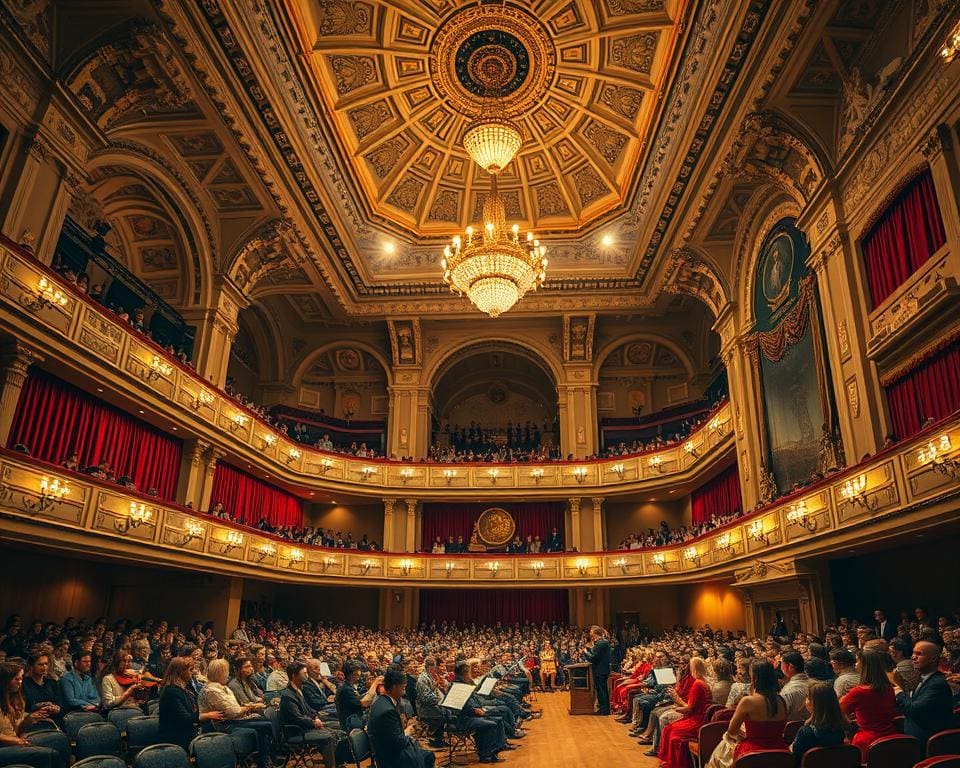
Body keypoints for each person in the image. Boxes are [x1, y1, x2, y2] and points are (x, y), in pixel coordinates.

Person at [199, 659, 271, 768]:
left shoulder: (223, 687)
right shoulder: (212, 690)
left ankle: (264, 760)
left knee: (265, 721)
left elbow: (236, 708)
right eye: (226, 671)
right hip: (226, 724)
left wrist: (246, 708)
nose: (228, 674)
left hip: (236, 719)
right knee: (266, 725)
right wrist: (250, 707)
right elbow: (232, 712)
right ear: (219, 673)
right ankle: (267, 758)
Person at [367, 667, 434, 768]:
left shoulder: (380, 701)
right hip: (390, 758)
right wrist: (408, 731)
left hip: (384, 751)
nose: (404, 692)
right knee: (428, 756)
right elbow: (398, 743)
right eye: (402, 688)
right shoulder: (388, 711)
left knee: (421, 750)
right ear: (394, 687)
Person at [0, 662, 62, 768]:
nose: (20, 682)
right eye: (16, 679)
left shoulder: (16, 699)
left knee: (59, 740)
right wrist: (17, 741)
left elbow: (18, 730)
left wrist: (30, 719)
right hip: (4, 747)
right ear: (5, 681)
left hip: (16, 742)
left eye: (21, 678)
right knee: (48, 754)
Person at [278, 662, 339, 768]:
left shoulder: (298, 689)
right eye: (304, 673)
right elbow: (296, 718)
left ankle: (338, 761)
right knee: (329, 737)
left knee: (338, 727)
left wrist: (315, 716)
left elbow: (308, 709)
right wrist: (313, 722)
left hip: (306, 726)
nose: (307, 675)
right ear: (294, 675)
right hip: (297, 732)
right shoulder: (288, 695)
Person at [724, 660, 788, 762]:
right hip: (780, 753)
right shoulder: (782, 701)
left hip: (752, 753)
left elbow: (731, 731)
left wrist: (744, 736)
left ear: (755, 679)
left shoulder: (748, 701)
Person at [894, 640, 954, 746]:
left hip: (927, 743)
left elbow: (915, 710)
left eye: (919, 654)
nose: (913, 657)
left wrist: (899, 693)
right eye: (913, 653)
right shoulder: (923, 677)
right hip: (915, 739)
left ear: (933, 659)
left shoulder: (937, 684)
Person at [840, 649, 896, 760]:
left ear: (864, 665)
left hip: (867, 741)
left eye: (857, 661)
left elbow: (838, 711)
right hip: (891, 736)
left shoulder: (858, 691)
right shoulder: (889, 688)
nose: (855, 664)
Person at [158, 656, 223, 751]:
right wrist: (208, 715)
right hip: (178, 737)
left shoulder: (186, 687)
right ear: (180, 672)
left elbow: (196, 708)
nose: (193, 672)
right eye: (190, 669)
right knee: (217, 741)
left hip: (190, 730)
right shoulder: (171, 692)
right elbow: (185, 719)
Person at [658, 657, 711, 768]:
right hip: (698, 717)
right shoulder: (703, 682)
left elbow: (689, 708)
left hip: (695, 719)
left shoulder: (698, 684)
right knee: (669, 729)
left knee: (671, 731)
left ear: (693, 668)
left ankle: (674, 763)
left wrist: (676, 704)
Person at [790, 682, 846, 768]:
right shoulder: (843, 729)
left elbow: (795, 760)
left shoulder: (805, 732)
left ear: (813, 703)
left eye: (807, 697)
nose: (805, 700)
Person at [335, 661, 380, 731]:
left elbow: (360, 698)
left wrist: (370, 688)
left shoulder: (348, 686)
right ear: (352, 674)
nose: (359, 675)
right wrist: (375, 683)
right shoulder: (345, 689)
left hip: (355, 718)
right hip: (350, 724)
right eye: (357, 673)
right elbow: (365, 702)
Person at [584, 625, 610, 715]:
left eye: (591, 632)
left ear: (595, 633)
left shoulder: (601, 643)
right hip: (602, 669)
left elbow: (593, 657)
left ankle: (604, 710)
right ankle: (604, 709)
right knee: (602, 690)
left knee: (601, 690)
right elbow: (595, 653)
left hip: (600, 670)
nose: (590, 634)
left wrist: (585, 652)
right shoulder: (601, 642)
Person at [779, 652, 811, 720]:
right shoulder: (816, 684)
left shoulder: (787, 692)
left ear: (790, 666)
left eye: (781, 663)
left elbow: (781, 716)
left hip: (794, 729)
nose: (780, 666)